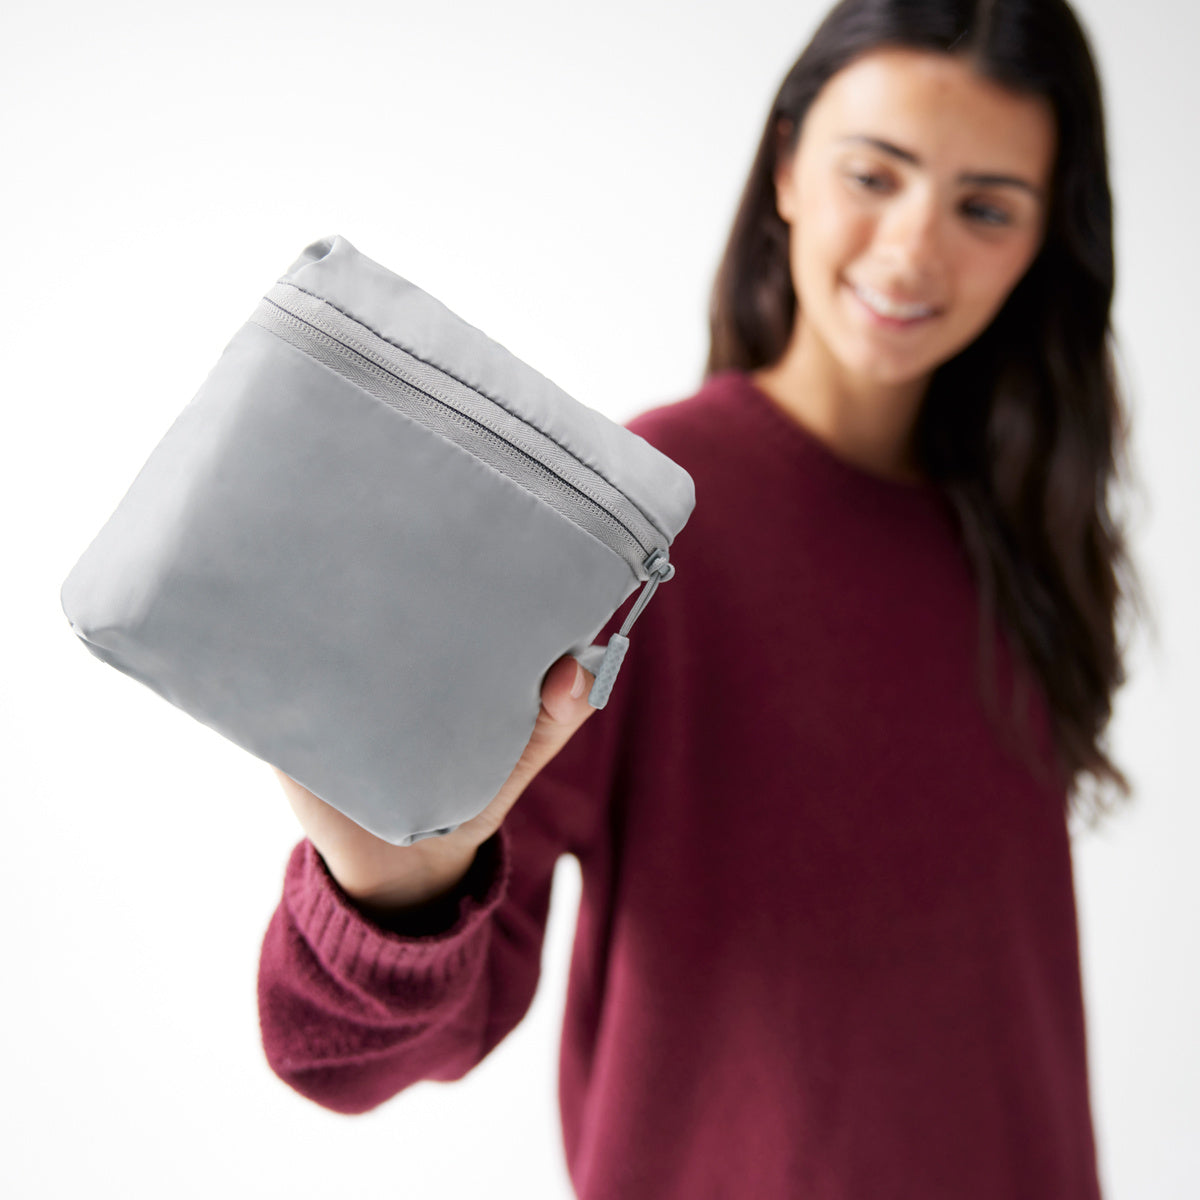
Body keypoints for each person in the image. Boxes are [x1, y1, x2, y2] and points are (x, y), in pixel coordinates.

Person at [257, 1, 1147, 1196]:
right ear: (786, 167)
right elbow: (349, 1059)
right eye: (873, 174)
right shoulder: (644, 532)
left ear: (1045, 239)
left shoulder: (1017, 534)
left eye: (986, 207)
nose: (913, 252)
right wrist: (390, 890)